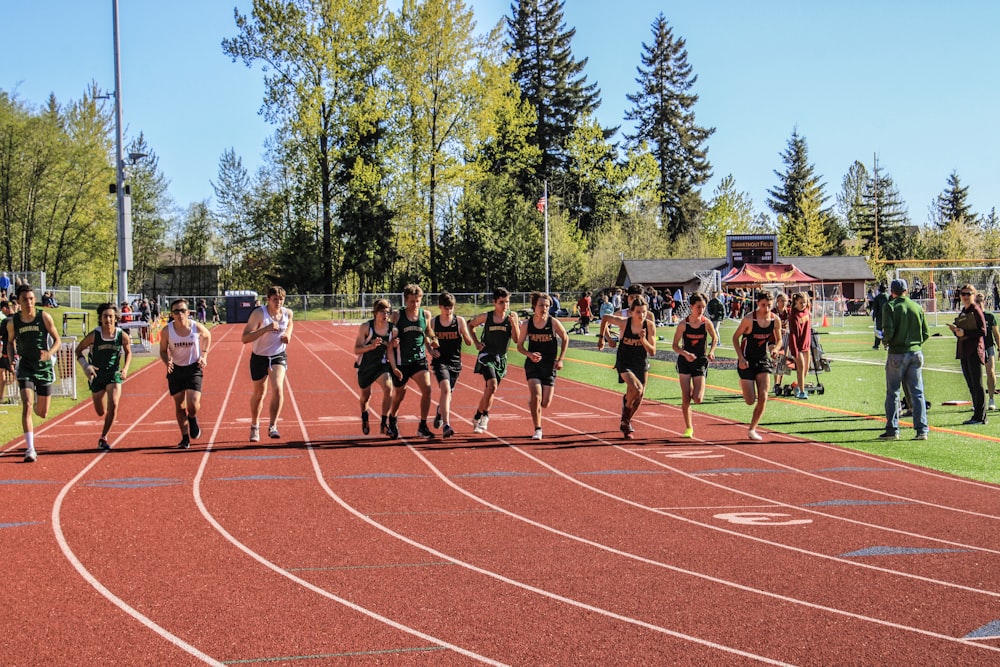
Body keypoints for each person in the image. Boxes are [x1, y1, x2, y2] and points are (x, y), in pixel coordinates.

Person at [5, 285, 61, 462]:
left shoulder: (43, 316)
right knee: (27, 405)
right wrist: (12, 360)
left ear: (34, 300)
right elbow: (9, 342)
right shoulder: (13, 322)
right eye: (24, 299)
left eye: (31, 299)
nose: (28, 302)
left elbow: (57, 340)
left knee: (42, 412)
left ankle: (38, 401)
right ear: (19, 302)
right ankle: (30, 449)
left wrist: (49, 354)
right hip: (26, 367)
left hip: (43, 368)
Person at [75, 303, 132, 450]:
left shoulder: (121, 335)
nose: (108, 319)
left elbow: (128, 352)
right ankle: (106, 419)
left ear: (116, 318)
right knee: (100, 411)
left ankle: (103, 438)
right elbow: (78, 351)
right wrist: (86, 366)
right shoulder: (95, 335)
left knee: (113, 404)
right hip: (97, 376)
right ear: (100, 318)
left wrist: (125, 369)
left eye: (111, 316)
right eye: (105, 316)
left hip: (113, 374)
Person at [598, 295, 656, 439]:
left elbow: (652, 351)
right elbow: (605, 318)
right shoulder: (624, 323)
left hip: (640, 361)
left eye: (644, 312)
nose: (641, 315)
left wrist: (643, 340)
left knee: (640, 395)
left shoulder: (649, 326)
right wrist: (605, 338)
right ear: (631, 312)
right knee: (637, 389)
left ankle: (626, 420)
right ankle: (626, 415)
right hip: (625, 360)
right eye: (638, 312)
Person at [241, 286, 293, 441]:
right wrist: (266, 329)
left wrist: (288, 335)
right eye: (275, 299)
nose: (278, 302)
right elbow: (245, 338)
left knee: (278, 388)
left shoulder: (287, 313)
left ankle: (273, 426)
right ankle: (255, 425)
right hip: (259, 357)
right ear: (268, 299)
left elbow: (290, 324)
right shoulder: (259, 313)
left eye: (281, 299)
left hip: (278, 355)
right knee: (259, 394)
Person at [880, 279, 930, 440]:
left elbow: (888, 330)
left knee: (893, 392)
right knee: (917, 392)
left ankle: (893, 429)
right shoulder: (917, 307)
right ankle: (922, 429)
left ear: (892, 292)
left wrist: (886, 340)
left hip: (897, 352)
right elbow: (926, 332)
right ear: (906, 291)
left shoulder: (890, 307)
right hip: (915, 352)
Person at [159, 298, 212, 449]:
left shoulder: (195, 327)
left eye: (182, 311)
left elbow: (208, 336)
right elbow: (162, 350)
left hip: (193, 368)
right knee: (180, 406)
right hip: (175, 369)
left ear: (188, 312)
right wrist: (167, 361)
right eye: (176, 311)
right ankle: (184, 437)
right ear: (172, 314)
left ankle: (193, 417)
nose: (180, 314)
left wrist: (204, 355)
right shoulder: (167, 331)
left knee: (193, 404)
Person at [468, 287, 521, 434]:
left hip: (501, 358)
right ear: (495, 303)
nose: (505, 306)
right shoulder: (487, 316)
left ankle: (478, 415)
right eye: (502, 302)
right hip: (486, 356)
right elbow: (471, 325)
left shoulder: (512, 316)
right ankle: (485, 416)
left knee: (490, 390)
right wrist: (476, 342)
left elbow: (517, 340)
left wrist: (514, 324)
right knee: (492, 385)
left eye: (507, 302)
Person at [517, 292, 569, 440]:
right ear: (534, 306)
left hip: (549, 365)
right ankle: (538, 429)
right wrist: (529, 354)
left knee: (545, 403)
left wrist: (561, 359)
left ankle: (534, 404)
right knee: (536, 395)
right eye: (541, 305)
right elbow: (519, 346)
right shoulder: (527, 324)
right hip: (533, 365)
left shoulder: (553, 323)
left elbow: (565, 338)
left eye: (547, 305)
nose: (544, 308)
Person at [387, 284, 437, 439]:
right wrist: (393, 341)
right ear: (405, 300)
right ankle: (392, 418)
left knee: (427, 390)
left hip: (419, 360)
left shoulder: (425, 314)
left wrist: (433, 341)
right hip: (401, 361)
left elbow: (428, 331)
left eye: (417, 301)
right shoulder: (397, 315)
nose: (415, 304)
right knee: (399, 394)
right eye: (411, 301)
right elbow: (388, 334)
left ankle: (422, 425)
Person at [732, 291, 781, 442]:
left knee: (764, 396)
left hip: (762, 360)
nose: (766, 309)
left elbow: (779, 340)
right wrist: (740, 357)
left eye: (769, 306)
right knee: (750, 401)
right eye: (763, 305)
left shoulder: (775, 320)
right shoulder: (749, 319)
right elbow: (735, 337)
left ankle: (752, 429)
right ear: (758, 304)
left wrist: (774, 350)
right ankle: (743, 383)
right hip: (746, 360)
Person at [672, 292, 718, 438]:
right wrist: (685, 354)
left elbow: (715, 338)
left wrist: (711, 351)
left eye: (703, 307)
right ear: (691, 307)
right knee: (686, 398)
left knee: (698, 399)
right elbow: (675, 346)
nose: (701, 310)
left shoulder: (706, 323)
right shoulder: (683, 324)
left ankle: (692, 389)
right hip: (685, 362)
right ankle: (689, 427)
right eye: (698, 307)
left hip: (700, 362)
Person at [429, 291, 473, 438]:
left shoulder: (459, 321)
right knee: (446, 389)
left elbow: (468, 341)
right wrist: (430, 350)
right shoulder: (434, 322)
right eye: (446, 308)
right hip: (440, 361)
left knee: (448, 394)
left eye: (451, 308)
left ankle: (439, 412)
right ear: (440, 307)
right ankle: (447, 425)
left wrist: (467, 336)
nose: (449, 311)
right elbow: (426, 338)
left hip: (455, 362)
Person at [947, 284, 987, 425]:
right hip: (964, 350)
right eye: (962, 294)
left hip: (973, 350)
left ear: (973, 295)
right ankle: (977, 413)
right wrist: (956, 331)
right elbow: (962, 330)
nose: (964, 296)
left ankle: (980, 416)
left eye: (968, 294)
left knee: (977, 384)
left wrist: (965, 333)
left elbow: (983, 331)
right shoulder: (964, 310)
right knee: (971, 384)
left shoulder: (975, 310)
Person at [354, 299, 395, 437]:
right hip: (366, 366)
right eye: (383, 311)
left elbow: (390, 350)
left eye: (388, 311)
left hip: (381, 365)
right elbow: (356, 349)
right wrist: (370, 347)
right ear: (376, 312)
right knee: (366, 396)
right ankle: (365, 416)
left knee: (388, 387)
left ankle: (384, 423)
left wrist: (393, 346)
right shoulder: (366, 327)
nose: (385, 314)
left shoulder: (391, 329)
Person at [786, 292, 813, 399]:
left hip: (806, 344)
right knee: (800, 368)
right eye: (801, 303)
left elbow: (808, 308)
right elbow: (792, 334)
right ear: (796, 302)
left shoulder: (806, 310)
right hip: (798, 346)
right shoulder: (794, 315)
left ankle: (798, 386)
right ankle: (801, 392)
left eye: (805, 302)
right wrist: (794, 351)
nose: (803, 305)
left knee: (806, 368)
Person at [975, 293, 999, 411]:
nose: (979, 302)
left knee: (991, 371)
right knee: (975, 375)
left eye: (980, 300)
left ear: (984, 301)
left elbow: (996, 334)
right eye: (977, 300)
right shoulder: (973, 315)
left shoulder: (990, 316)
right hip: (977, 347)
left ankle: (991, 399)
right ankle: (978, 402)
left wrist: (999, 348)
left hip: (988, 346)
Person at [771, 293, 790, 395]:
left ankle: (779, 384)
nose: (784, 303)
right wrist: (779, 329)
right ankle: (775, 383)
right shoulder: (773, 312)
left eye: (785, 301)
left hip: (784, 338)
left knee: (783, 360)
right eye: (782, 301)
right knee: (776, 359)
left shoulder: (788, 312)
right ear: (777, 302)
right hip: (773, 338)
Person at [871, 284, 889, 349]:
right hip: (887, 316)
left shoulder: (877, 298)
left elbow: (875, 308)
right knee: (887, 331)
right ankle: (886, 345)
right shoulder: (889, 297)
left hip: (879, 316)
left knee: (878, 331)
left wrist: (873, 316)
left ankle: (876, 345)